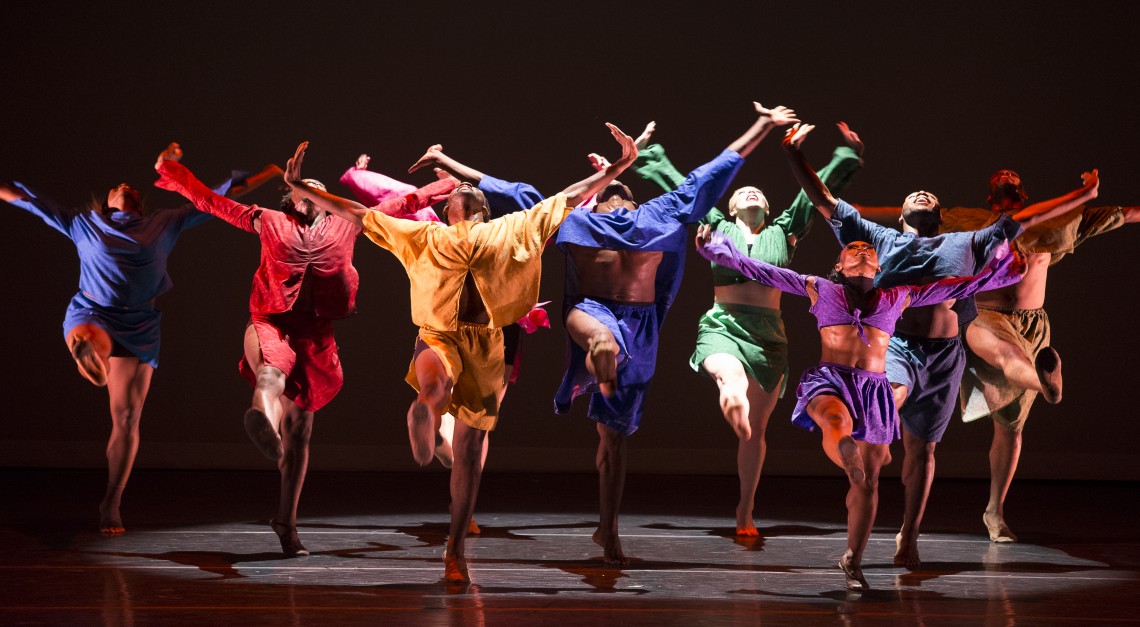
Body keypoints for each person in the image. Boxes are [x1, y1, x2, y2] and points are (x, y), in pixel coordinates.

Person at [281, 124, 638, 584]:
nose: (465, 189)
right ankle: (425, 411)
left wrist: (620, 168)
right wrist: (296, 188)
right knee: (434, 382)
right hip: (438, 334)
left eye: (472, 190)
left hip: (488, 346)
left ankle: (455, 550)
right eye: (459, 191)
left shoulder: (512, 228)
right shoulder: (422, 235)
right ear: (447, 208)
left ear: (483, 209)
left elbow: (569, 196)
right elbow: (356, 212)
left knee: (469, 453)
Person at [781, 123, 1099, 565]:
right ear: (901, 216)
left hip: (946, 355)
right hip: (896, 347)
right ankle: (862, 463)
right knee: (891, 399)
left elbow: (1025, 219)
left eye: (930, 196)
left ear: (941, 215)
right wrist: (794, 153)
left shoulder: (966, 243)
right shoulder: (880, 240)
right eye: (915, 197)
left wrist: (1081, 197)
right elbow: (823, 202)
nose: (923, 195)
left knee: (924, 449)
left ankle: (908, 536)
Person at [153, 146, 454, 557]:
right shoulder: (268, 219)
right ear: (291, 198)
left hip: (315, 337)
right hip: (269, 323)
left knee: (300, 435)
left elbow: (405, 202)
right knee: (271, 373)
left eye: (320, 190)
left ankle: (285, 520)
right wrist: (171, 171)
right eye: (305, 189)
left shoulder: (347, 224)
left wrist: (452, 183)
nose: (313, 193)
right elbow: (211, 201)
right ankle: (262, 418)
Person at [695, 223, 1025, 591]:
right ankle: (846, 451)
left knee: (867, 486)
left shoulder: (897, 295)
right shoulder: (821, 288)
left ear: (880, 266)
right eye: (853, 247)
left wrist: (998, 273)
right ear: (839, 264)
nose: (863, 250)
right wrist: (723, 252)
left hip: (874, 390)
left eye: (869, 249)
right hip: (831, 381)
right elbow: (767, 272)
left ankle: (853, 557)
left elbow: (957, 287)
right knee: (835, 419)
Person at [553, 102, 797, 564]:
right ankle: (603, 362)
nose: (620, 192)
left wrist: (762, 125)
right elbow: (524, 198)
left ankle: (608, 528)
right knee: (603, 343)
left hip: (640, 325)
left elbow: (712, 172)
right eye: (609, 190)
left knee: (615, 439)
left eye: (625, 188)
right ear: (597, 196)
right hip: (591, 311)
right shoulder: (578, 219)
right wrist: (614, 169)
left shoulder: (656, 215)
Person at [1, 144, 277, 535]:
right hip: (93, 312)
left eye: (130, 187)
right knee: (91, 338)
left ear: (141, 206)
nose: (126, 186)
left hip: (141, 323)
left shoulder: (166, 222)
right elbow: (26, 199)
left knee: (128, 417)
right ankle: (89, 354)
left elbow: (217, 198)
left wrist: (269, 171)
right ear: (106, 200)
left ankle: (111, 501)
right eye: (118, 186)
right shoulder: (82, 222)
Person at [628, 121, 864, 537]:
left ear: (770, 209)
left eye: (759, 192)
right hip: (723, 323)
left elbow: (817, 191)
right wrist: (648, 153)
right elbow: (688, 187)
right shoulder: (717, 223)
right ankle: (731, 396)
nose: (751, 192)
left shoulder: (785, 230)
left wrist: (846, 157)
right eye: (743, 192)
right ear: (731, 207)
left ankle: (745, 510)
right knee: (729, 375)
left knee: (756, 433)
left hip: (768, 335)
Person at [938, 169, 1140, 543]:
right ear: (989, 196)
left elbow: (1125, 214)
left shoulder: (1057, 222)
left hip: (1034, 326)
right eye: (999, 175)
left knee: (1010, 429)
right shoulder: (969, 222)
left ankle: (994, 511)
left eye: (1013, 175)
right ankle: (1046, 385)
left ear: (1024, 191)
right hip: (984, 314)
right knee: (1003, 353)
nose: (1006, 174)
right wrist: (840, 209)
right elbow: (896, 213)